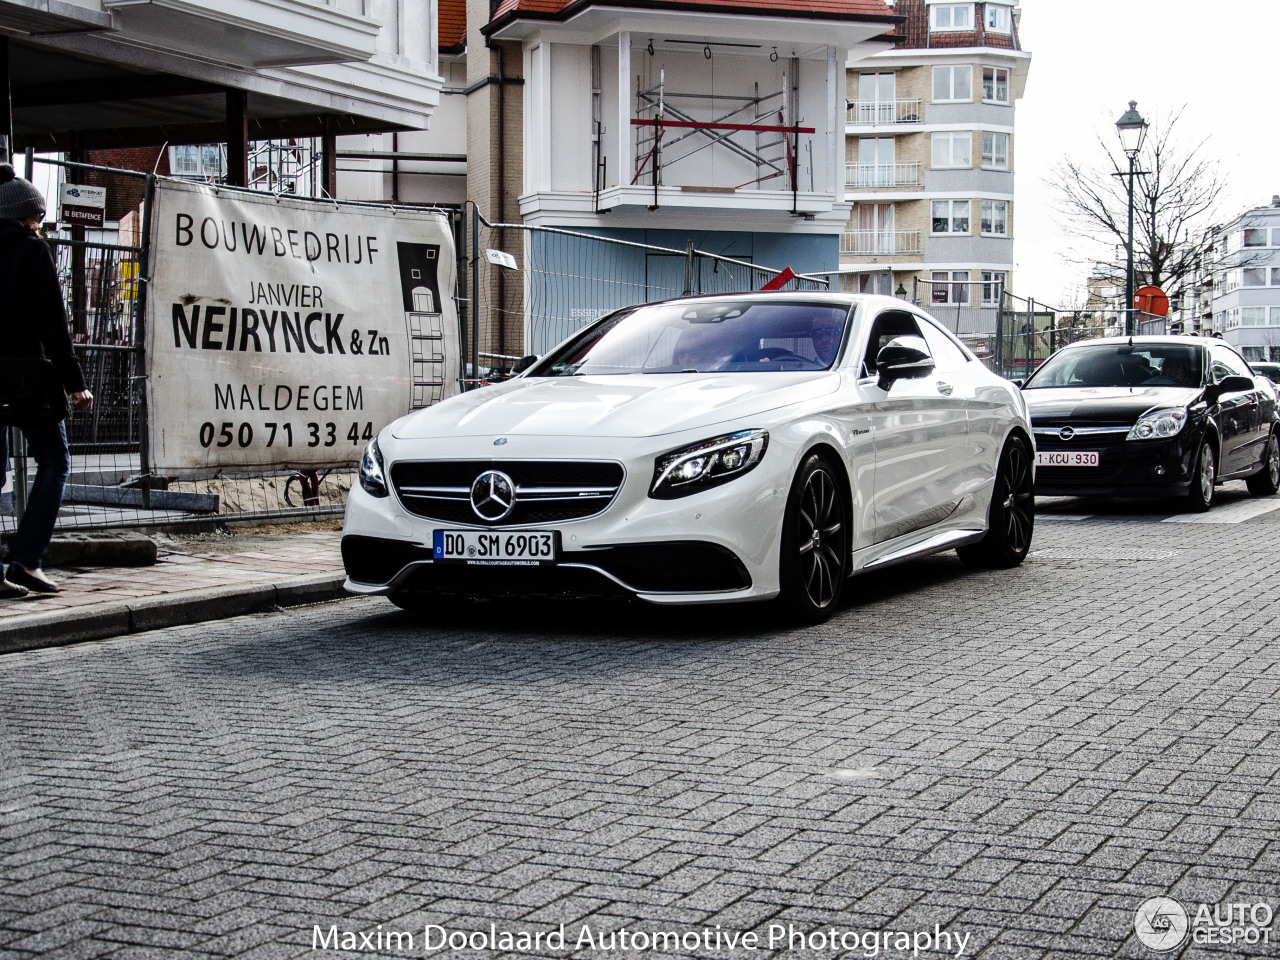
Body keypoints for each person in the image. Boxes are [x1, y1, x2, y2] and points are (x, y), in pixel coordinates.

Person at [0, 163, 93, 597]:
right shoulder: (32, 251)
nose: (39, 224)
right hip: (25, 377)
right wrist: (75, 382)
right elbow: (52, 324)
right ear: (23, 216)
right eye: (36, 217)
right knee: (54, 460)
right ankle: (27, 558)